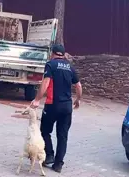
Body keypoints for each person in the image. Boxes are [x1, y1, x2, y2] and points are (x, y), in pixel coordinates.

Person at [30, 44, 82, 173]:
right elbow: (79, 86)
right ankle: (58, 165)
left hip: (53, 105)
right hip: (67, 106)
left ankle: (49, 155)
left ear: (53, 53)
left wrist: (37, 99)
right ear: (63, 55)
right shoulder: (70, 67)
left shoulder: (51, 65)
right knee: (62, 135)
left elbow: (46, 83)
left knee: (45, 131)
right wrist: (78, 100)